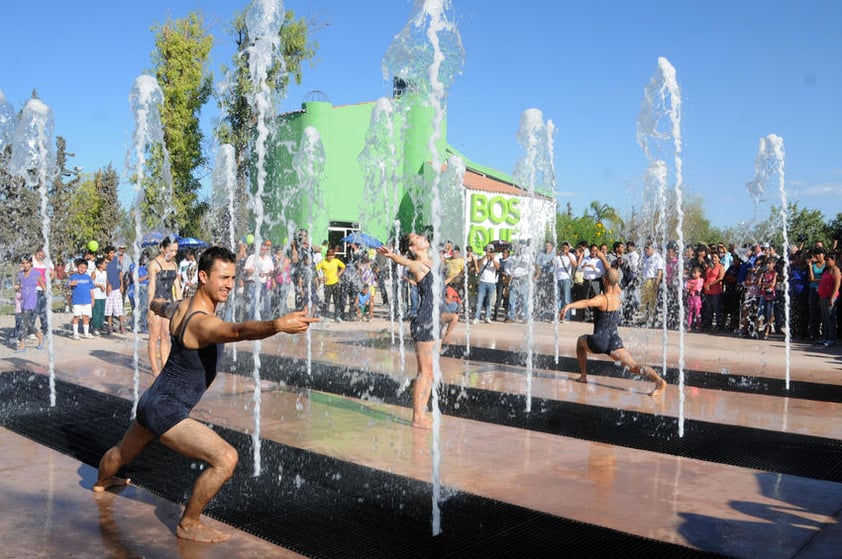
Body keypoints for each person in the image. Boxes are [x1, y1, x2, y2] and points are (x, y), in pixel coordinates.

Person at [92, 246, 318, 543]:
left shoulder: (182, 306)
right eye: (223, 277)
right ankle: (189, 522)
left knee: (122, 452)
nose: (229, 284)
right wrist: (276, 325)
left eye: (233, 277)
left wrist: (157, 304)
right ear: (202, 276)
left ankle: (102, 482)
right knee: (226, 459)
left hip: (152, 400)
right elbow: (237, 332)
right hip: (167, 410)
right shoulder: (202, 322)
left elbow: (163, 307)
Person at [560, 250, 667, 397]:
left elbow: (586, 302)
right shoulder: (619, 294)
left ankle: (583, 376)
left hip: (599, 341)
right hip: (614, 341)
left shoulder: (602, 298)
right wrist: (603, 258)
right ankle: (658, 381)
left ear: (604, 281)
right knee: (634, 366)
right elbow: (612, 275)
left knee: (580, 341)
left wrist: (568, 306)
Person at [377, 233, 452, 430]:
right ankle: (417, 417)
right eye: (416, 237)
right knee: (425, 372)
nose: (422, 236)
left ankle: (421, 410)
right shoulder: (418, 265)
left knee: (431, 372)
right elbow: (405, 262)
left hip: (436, 321)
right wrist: (392, 255)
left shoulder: (433, 261)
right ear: (412, 247)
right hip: (426, 321)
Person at [147, 237, 181, 376]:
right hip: (156, 302)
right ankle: (155, 368)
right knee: (154, 336)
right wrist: (150, 309)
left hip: (168, 303)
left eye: (176, 251)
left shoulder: (174, 264)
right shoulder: (154, 264)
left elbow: (177, 287)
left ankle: (165, 367)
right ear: (162, 248)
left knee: (166, 336)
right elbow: (151, 286)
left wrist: (179, 305)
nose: (173, 253)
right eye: (171, 250)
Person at [15, 256, 45, 351]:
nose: (25, 265)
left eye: (27, 263)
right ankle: (40, 336)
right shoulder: (20, 274)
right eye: (23, 263)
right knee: (27, 323)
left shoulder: (36, 273)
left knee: (24, 322)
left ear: (31, 263)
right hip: (24, 299)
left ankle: (23, 345)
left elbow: (43, 286)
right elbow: (18, 286)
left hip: (32, 299)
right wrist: (16, 287)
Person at [67, 258, 95, 339]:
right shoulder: (73, 276)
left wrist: (93, 299)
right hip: (77, 301)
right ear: (77, 267)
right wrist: (70, 284)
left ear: (86, 268)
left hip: (87, 300)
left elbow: (91, 289)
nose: (82, 269)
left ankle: (86, 333)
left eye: (84, 267)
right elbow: (67, 285)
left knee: (86, 317)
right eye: (80, 267)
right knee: (77, 317)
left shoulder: (88, 277)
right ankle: (75, 333)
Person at [817, 252, 840, 347]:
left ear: (833, 260)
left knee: (830, 317)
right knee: (824, 317)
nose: (826, 261)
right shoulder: (827, 270)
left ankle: (832, 338)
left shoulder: (836, 270)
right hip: (823, 296)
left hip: (830, 297)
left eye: (828, 260)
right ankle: (825, 337)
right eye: (825, 260)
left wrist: (832, 297)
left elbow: (837, 285)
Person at [316, 249, 345, 322]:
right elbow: (315, 269)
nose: (330, 257)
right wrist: (320, 278)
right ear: (326, 256)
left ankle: (337, 316)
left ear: (334, 255)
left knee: (336, 300)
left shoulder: (336, 261)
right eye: (329, 255)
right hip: (327, 284)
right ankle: (326, 316)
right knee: (327, 301)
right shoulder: (323, 262)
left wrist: (339, 273)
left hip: (335, 283)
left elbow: (343, 267)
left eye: (332, 255)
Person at [473, 244, 499, 323]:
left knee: (489, 300)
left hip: (491, 282)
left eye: (491, 250)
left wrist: (493, 258)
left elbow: (497, 267)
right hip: (482, 281)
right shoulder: (482, 257)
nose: (490, 251)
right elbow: (479, 264)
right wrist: (486, 256)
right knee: (479, 300)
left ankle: (487, 317)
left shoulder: (495, 257)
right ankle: (477, 317)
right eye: (489, 250)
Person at [104, 246, 127, 335]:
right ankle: (110, 327)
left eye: (113, 253)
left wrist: (121, 284)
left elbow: (120, 272)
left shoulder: (116, 260)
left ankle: (122, 326)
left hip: (117, 287)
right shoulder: (104, 263)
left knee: (119, 308)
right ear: (106, 254)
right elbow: (104, 275)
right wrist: (108, 284)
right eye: (110, 253)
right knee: (109, 309)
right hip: (109, 289)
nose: (112, 255)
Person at [685, 267, 704, 331]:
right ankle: (689, 325)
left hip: (696, 297)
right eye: (693, 273)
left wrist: (691, 286)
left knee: (697, 312)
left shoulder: (701, 280)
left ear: (699, 273)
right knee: (690, 312)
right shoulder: (691, 280)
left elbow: (697, 287)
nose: (693, 274)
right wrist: (691, 286)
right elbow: (687, 287)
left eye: (695, 272)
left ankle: (698, 325)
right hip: (691, 297)